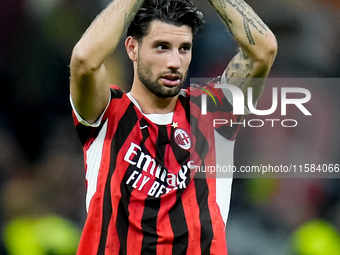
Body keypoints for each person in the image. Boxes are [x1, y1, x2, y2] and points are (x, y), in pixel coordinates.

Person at [69, 0, 277, 254]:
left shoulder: (213, 112)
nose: (174, 62)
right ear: (132, 47)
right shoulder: (106, 112)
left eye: (184, 49)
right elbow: (83, 59)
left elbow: (263, 50)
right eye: (162, 48)